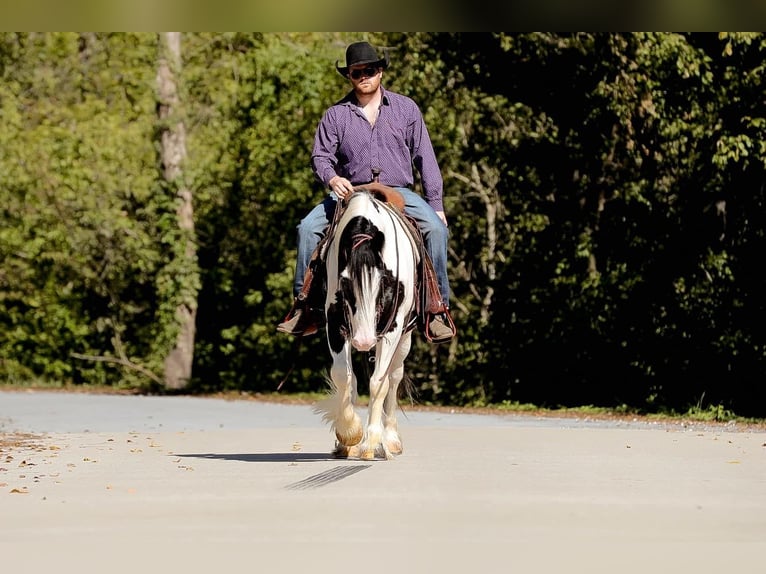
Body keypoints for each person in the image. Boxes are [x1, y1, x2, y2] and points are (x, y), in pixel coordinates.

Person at [277, 41, 455, 343]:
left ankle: (436, 308)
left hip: (396, 191)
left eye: (369, 70)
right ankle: (305, 306)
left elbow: (426, 156)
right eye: (356, 72)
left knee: (437, 231)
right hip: (351, 192)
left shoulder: (406, 108)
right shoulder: (335, 115)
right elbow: (320, 156)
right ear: (349, 76)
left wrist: (435, 203)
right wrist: (332, 179)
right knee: (307, 229)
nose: (363, 76)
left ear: (381, 71)